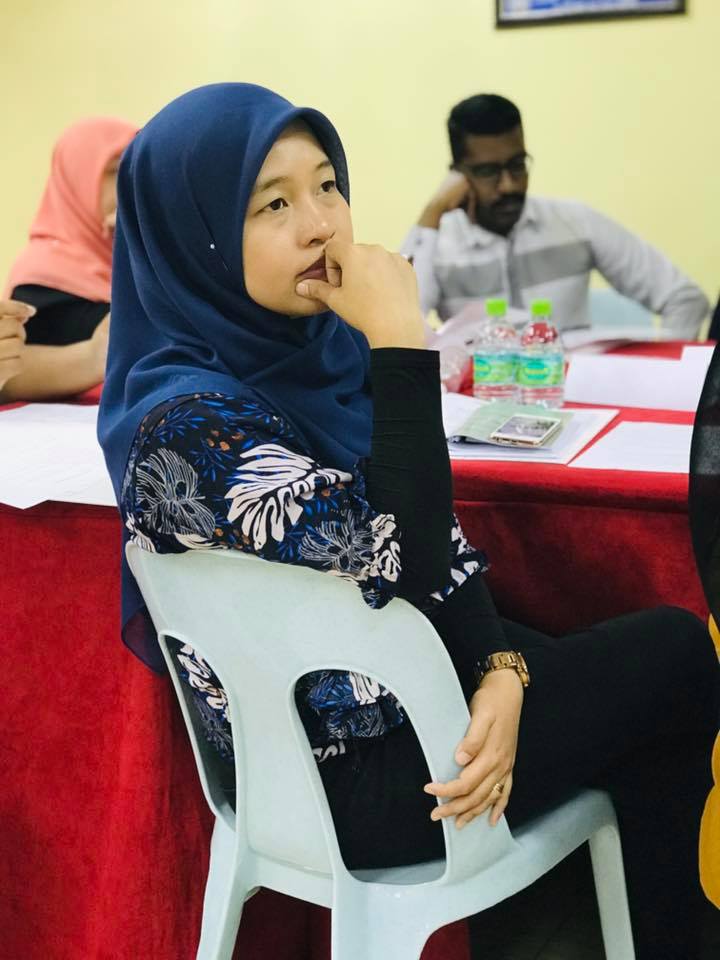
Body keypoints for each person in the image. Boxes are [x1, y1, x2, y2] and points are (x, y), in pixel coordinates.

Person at [98, 84, 719, 960]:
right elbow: (403, 547)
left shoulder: (314, 354)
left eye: (328, 186)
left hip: (405, 701)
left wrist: (499, 671)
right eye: (274, 204)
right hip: (339, 779)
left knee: (599, 673)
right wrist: (400, 343)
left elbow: (437, 543)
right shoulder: (186, 425)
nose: (322, 225)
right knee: (677, 652)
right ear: (189, 237)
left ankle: (651, 930)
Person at [401, 93, 709, 338]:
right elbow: (399, 325)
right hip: (481, 395)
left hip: (571, 392)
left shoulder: (575, 222)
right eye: (488, 171)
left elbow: (684, 298)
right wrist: (432, 212)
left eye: (517, 165)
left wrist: (667, 375)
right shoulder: (437, 244)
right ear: (457, 175)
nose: (509, 185)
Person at [0, 116, 137, 401]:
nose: (131, 184)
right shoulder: (43, 278)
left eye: (138, 169)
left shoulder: (116, 260)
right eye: (115, 171)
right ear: (78, 181)